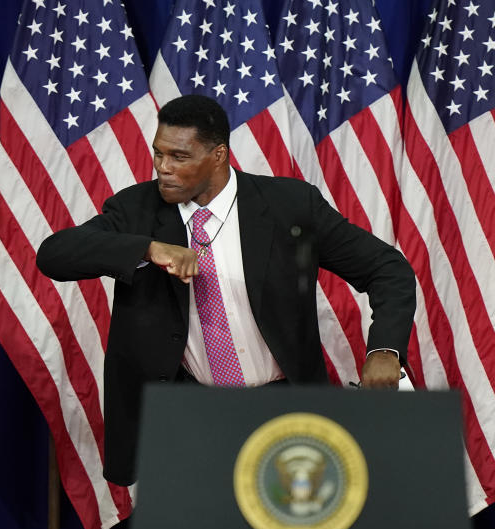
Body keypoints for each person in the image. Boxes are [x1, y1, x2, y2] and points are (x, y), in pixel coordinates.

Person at [36, 93, 416, 489]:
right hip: (187, 417)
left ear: (218, 156)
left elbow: (388, 269)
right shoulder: (136, 211)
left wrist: (384, 349)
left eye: (179, 157)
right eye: (158, 154)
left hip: (283, 410)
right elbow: (54, 256)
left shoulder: (289, 205)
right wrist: (147, 248)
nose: (163, 168)